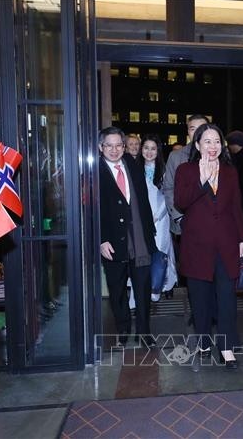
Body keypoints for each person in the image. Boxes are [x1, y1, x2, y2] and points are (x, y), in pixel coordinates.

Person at [174, 124, 243, 369]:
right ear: (197, 145)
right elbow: (181, 202)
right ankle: (204, 341)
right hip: (197, 246)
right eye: (207, 141)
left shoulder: (229, 171)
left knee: (227, 298)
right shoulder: (185, 170)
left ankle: (226, 347)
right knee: (200, 299)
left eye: (217, 141)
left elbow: (236, 207)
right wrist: (202, 181)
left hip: (226, 244)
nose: (213, 146)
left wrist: (242, 239)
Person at [98, 126, 157, 348]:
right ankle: (122, 329)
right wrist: (101, 239)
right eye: (109, 146)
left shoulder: (133, 164)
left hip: (140, 239)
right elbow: (91, 209)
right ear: (101, 147)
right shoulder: (95, 171)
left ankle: (144, 332)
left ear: (124, 146)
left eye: (118, 145)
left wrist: (150, 231)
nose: (114, 150)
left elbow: (143, 201)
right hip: (111, 241)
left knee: (143, 288)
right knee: (117, 289)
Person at [140, 134, 177, 300]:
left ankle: (166, 285)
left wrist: (158, 215)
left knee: (162, 252)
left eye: (153, 149)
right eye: (146, 148)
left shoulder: (164, 170)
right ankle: (148, 286)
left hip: (160, 218)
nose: (149, 152)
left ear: (158, 151)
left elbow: (169, 196)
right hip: (141, 219)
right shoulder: (135, 169)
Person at [162, 114, 209, 237]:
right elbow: (168, 188)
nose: (198, 132)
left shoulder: (217, 154)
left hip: (212, 222)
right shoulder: (176, 156)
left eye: (202, 128)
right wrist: (179, 218)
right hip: (184, 221)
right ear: (188, 131)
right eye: (193, 129)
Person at [225, 130, 243, 214]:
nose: (228, 147)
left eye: (229, 144)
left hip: (242, 197)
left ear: (235, 144)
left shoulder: (238, 159)